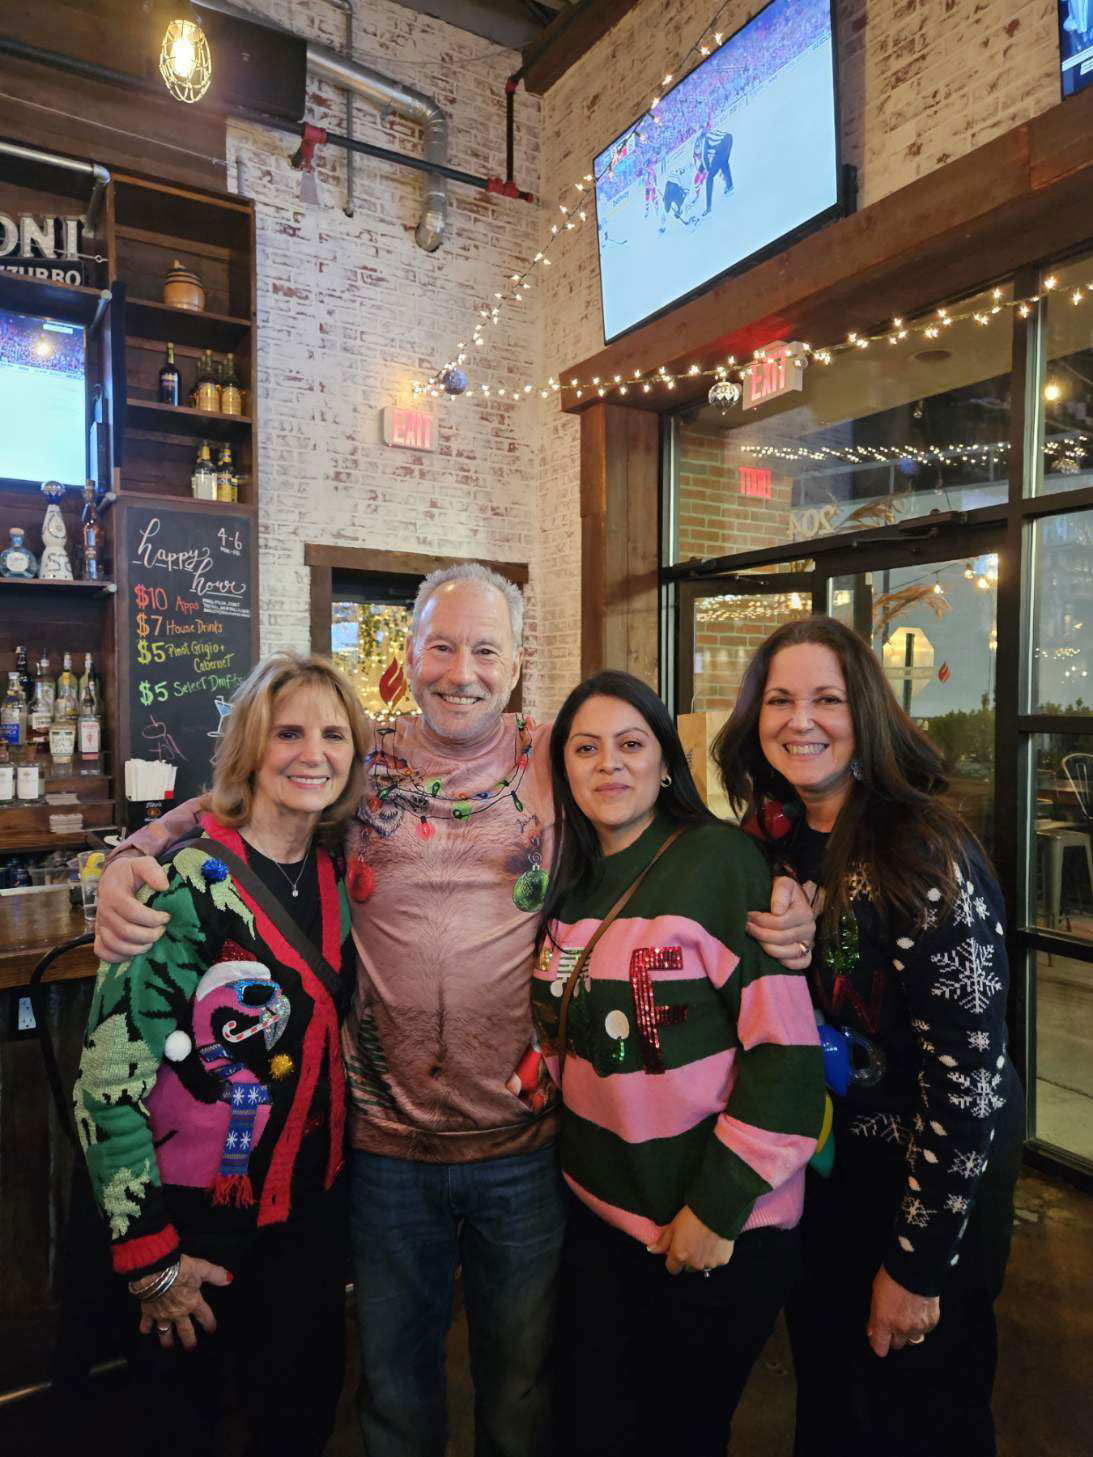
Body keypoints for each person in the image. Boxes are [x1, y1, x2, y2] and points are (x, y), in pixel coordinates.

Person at [93, 563, 817, 1457]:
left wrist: (781, 886)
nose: (459, 670)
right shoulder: (366, 761)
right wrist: (137, 849)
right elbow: (250, 788)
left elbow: (666, 821)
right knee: (394, 1385)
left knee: (520, 1386)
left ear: (517, 663)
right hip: (385, 1148)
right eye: (440, 645)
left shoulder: (558, 759)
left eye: (484, 649)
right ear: (408, 654)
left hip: (525, 1148)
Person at [714, 617, 1023, 1457]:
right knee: (832, 1404)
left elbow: (968, 1084)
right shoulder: (770, 838)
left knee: (923, 1413)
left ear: (869, 714)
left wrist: (916, 1266)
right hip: (826, 1177)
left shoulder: (921, 849)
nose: (799, 720)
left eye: (827, 698)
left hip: (926, 1184)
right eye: (779, 698)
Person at [74, 652, 368, 1456]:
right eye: (289, 732)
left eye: (334, 733)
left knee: (300, 1418)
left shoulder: (336, 868)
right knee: (186, 1428)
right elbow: (105, 1087)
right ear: (249, 745)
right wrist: (150, 1260)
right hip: (195, 1222)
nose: (314, 752)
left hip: (308, 1211)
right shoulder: (181, 883)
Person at [528, 671, 824, 1457]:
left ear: (666, 763)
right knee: (587, 1429)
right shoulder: (573, 880)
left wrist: (715, 1209)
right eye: (585, 748)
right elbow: (576, 1033)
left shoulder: (721, 863)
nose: (608, 765)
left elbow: (785, 1056)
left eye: (631, 745)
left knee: (676, 1435)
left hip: (714, 1226)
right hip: (599, 1216)